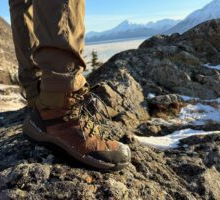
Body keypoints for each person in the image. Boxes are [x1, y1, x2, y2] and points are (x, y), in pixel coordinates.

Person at [9, 0, 131, 170]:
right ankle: (58, 101)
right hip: (60, 98)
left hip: (36, 88)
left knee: (22, 3)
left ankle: (39, 95)